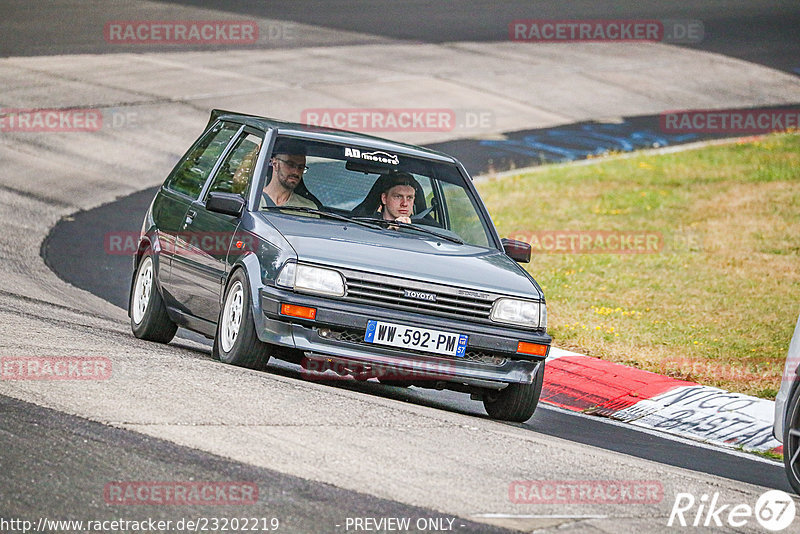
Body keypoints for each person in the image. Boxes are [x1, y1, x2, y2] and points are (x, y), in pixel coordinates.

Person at [260, 139, 316, 209]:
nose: (296, 172)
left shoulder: (308, 208)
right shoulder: (254, 201)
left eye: (301, 167)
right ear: (275, 164)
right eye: (290, 165)